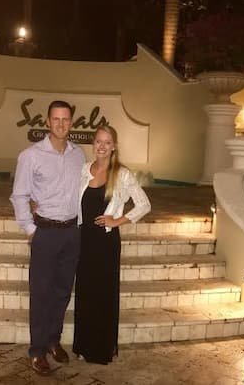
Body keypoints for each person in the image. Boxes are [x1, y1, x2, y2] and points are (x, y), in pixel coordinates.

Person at [10, 100, 85, 376]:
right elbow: (19, 195)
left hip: (71, 233)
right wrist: (30, 230)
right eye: (56, 119)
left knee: (63, 292)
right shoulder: (31, 156)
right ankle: (37, 350)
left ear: (72, 123)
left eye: (66, 119)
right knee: (41, 294)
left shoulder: (78, 155)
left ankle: (54, 340)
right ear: (48, 122)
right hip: (45, 233)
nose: (61, 124)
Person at [73, 125, 151, 365]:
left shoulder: (122, 174)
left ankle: (101, 348)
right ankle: (83, 345)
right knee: (85, 293)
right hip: (84, 240)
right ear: (93, 144)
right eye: (98, 141)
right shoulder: (84, 170)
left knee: (103, 295)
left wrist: (116, 220)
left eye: (107, 142)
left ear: (114, 146)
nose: (102, 146)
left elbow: (144, 205)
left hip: (106, 242)